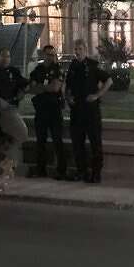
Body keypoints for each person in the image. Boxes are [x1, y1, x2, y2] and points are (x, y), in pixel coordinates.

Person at [65, 39, 111, 183]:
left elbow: (108, 80)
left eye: (80, 49)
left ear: (85, 50)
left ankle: (96, 173)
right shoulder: (72, 67)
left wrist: (97, 95)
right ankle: (81, 172)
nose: (77, 52)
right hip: (76, 111)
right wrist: (68, 97)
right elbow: (68, 87)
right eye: (76, 49)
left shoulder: (92, 66)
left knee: (95, 143)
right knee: (77, 144)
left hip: (91, 112)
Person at [28, 44, 67, 179]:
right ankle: (41, 170)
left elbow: (56, 87)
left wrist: (41, 87)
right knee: (40, 141)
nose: (51, 57)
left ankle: (61, 170)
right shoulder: (37, 70)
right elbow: (31, 89)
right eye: (49, 54)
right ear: (43, 55)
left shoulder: (58, 69)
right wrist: (46, 87)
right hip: (41, 110)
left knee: (57, 140)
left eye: (53, 54)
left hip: (55, 109)